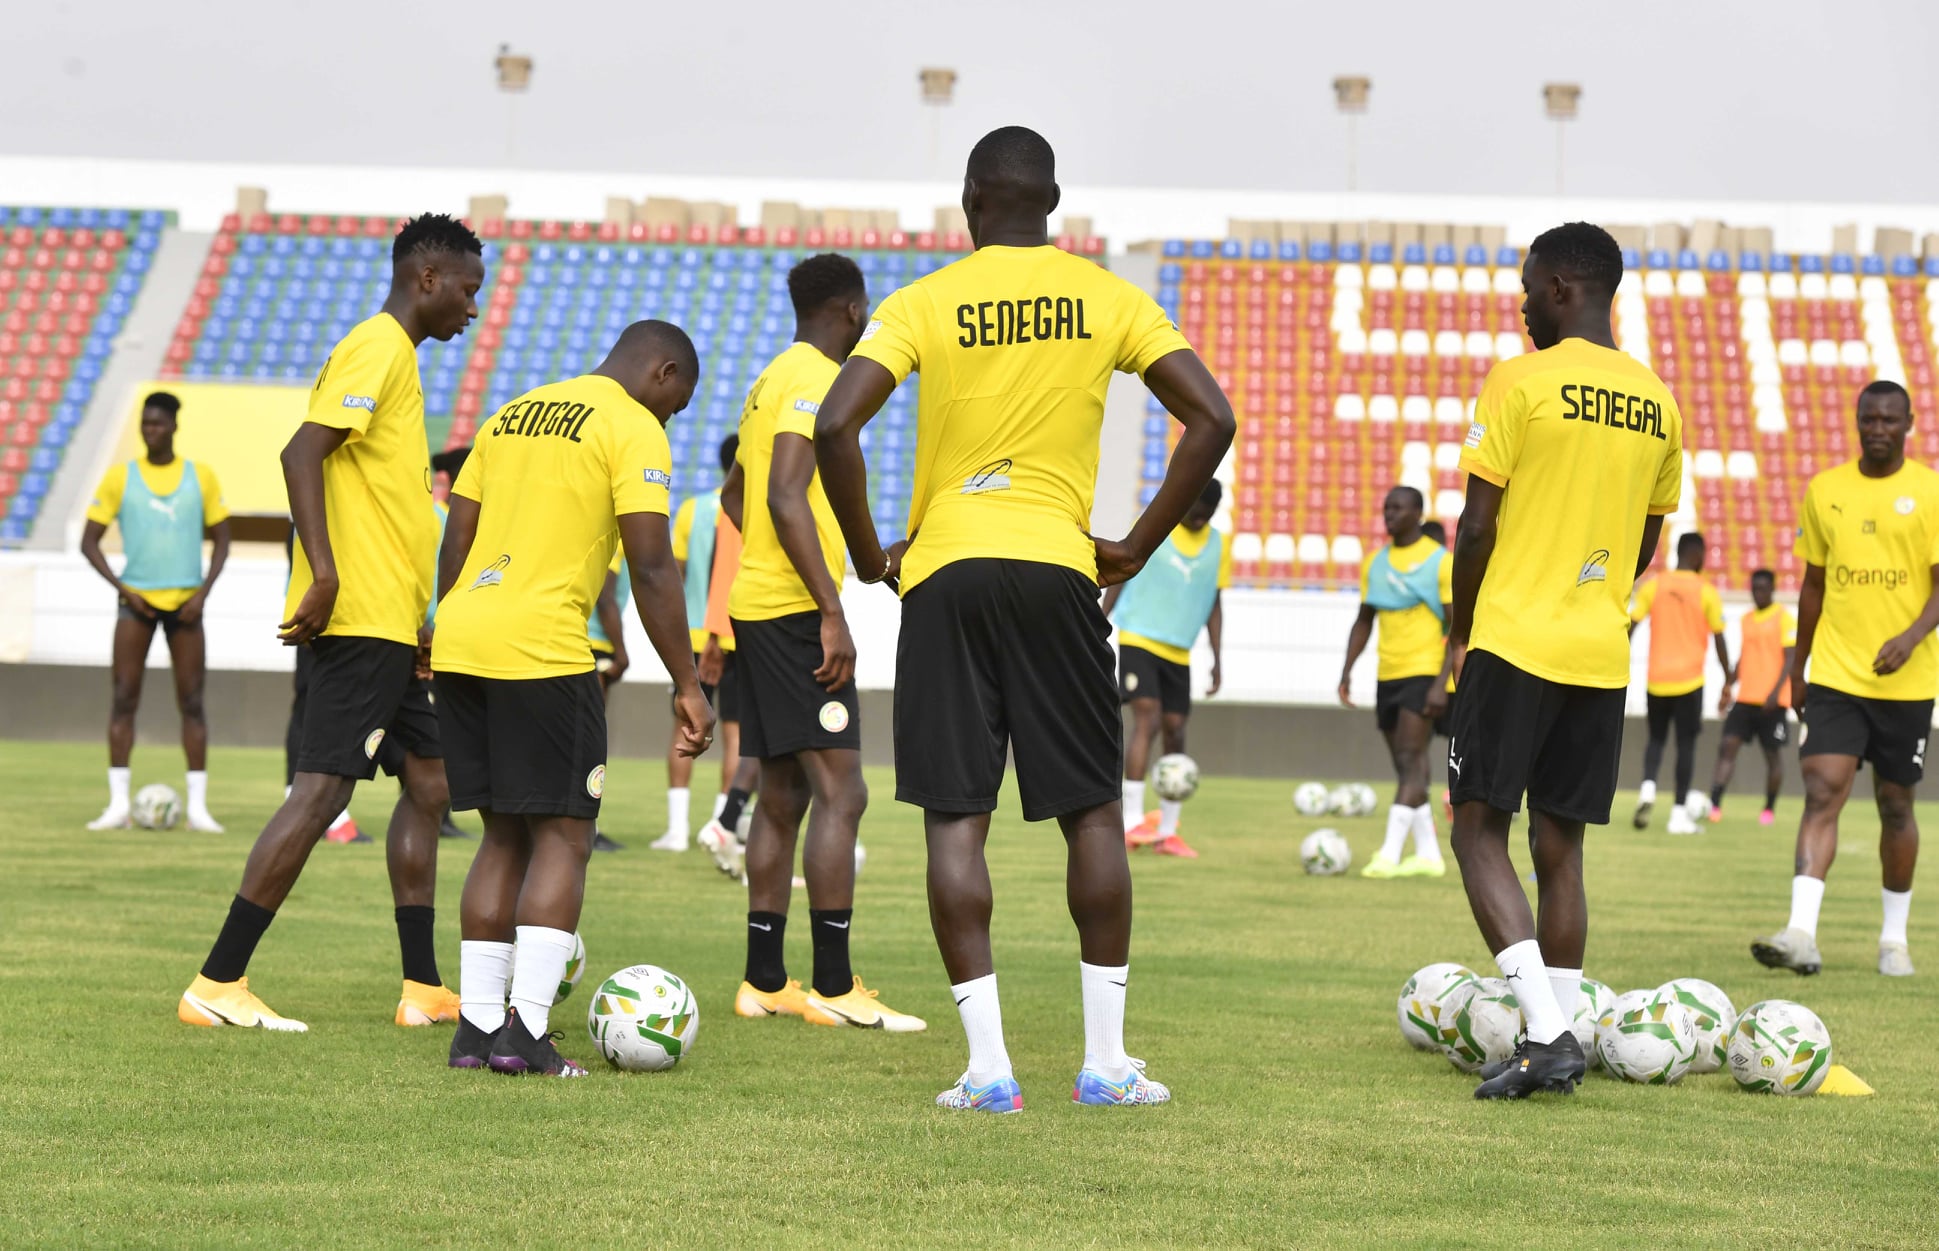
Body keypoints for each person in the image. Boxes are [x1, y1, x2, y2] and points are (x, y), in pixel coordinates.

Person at [814, 126, 1234, 1111]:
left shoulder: (924, 301)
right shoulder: (1108, 296)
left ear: (970, 200)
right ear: (1052, 202)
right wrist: (1131, 543)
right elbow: (1211, 416)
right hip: (1056, 567)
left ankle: (988, 1070)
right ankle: (1106, 1063)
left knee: (956, 820)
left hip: (946, 570)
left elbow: (834, 423)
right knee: (1091, 808)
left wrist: (874, 551)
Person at [177, 213, 484, 1033]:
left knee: (432, 783)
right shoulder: (377, 346)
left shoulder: (399, 359)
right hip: (358, 617)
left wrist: (424, 617)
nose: (473, 307)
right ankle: (218, 978)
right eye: (467, 289)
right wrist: (324, 572)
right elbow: (299, 452)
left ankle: (422, 988)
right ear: (427, 278)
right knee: (320, 793)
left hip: (395, 622)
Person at [1440, 221, 1684, 1098]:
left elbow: (1474, 525)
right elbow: (1648, 536)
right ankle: (1564, 1029)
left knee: (1475, 828)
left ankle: (1546, 1036)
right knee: (1560, 846)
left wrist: (1459, 630)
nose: (1519, 301)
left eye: (1526, 285)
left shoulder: (1520, 380)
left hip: (1513, 637)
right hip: (1598, 645)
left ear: (1559, 289)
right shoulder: (1657, 399)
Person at [435, 320, 713, 1076]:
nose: (669, 420)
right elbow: (652, 567)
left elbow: (457, 534)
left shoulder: (510, 412)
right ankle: (524, 1033)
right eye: (674, 403)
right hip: (543, 648)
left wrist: (441, 623)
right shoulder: (629, 426)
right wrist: (688, 685)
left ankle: (476, 1027)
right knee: (563, 836)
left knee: (501, 835)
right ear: (661, 371)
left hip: (463, 635)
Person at [720, 252, 923, 1029]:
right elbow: (778, 492)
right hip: (798, 616)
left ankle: (764, 980)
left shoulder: (770, 378)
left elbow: (738, 494)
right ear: (849, 309)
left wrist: (777, 565)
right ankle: (833, 986)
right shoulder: (814, 380)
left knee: (783, 795)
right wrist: (828, 608)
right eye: (865, 309)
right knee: (846, 790)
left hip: (760, 607)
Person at [1751, 380, 1939, 979]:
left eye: (1889, 420)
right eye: (1868, 419)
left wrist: (1909, 640)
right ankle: (1802, 933)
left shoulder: (1930, 492)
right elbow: (1812, 585)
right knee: (1823, 788)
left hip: (1906, 681)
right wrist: (1800, 668)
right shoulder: (1826, 490)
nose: (1878, 429)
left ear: (1909, 423)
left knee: (1895, 804)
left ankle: (1893, 940)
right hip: (1835, 672)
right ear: (1856, 422)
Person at [80, 391, 231, 832]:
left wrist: (202, 594)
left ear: (173, 427)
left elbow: (223, 538)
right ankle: (117, 806)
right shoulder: (119, 478)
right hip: (137, 602)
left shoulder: (199, 476)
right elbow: (89, 541)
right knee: (124, 697)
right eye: (145, 423)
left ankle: (199, 808)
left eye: (158, 423)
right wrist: (123, 588)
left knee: (193, 701)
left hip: (186, 604)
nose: (151, 430)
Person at [1102, 477, 1230, 858]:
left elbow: (1214, 601)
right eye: (1192, 512)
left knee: (1176, 731)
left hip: (1179, 650)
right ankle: (1132, 823)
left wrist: (1218, 658)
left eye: (1204, 516)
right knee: (1149, 719)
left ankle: (1169, 831)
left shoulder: (1219, 546)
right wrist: (1100, 623)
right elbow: (1122, 571)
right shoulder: (1158, 528)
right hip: (1140, 637)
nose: (1196, 520)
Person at [1337, 484, 1450, 878]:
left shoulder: (1440, 562)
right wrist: (1347, 669)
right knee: (1408, 767)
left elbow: (1458, 627)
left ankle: (1388, 853)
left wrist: (1442, 682)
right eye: (1386, 508)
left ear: (1418, 513)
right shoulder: (1375, 563)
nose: (1389, 514)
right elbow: (1365, 619)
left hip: (1424, 672)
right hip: (1388, 675)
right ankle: (1430, 855)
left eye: (1398, 508)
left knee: (1409, 759)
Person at [651, 436, 740, 853]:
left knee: (683, 726)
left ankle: (676, 830)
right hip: (737, 636)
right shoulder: (753, 509)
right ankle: (724, 825)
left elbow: (678, 573)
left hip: (693, 635)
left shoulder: (692, 509)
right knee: (737, 735)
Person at [1629, 531, 1731, 834]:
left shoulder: (1654, 585)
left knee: (1656, 739)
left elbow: (1632, 625)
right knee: (1685, 746)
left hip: (1656, 678)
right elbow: (1720, 637)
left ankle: (1647, 788)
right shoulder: (1705, 590)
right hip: (1689, 681)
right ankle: (1677, 815)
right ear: (1697, 555)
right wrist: (1728, 678)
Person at [694, 496, 764, 878]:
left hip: (734, 630)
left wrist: (715, 634)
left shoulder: (733, 504)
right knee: (769, 743)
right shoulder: (772, 496)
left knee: (746, 739)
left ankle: (731, 820)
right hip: (763, 630)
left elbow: (719, 573)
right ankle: (730, 822)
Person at [1707, 568, 1794, 825]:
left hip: (1772, 702)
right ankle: (1714, 805)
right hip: (1746, 698)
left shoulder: (1784, 618)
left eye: (1763, 588)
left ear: (1772, 589)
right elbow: (1743, 658)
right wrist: (1728, 686)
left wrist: (1776, 693)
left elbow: (1790, 659)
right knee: (1727, 747)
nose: (1758, 593)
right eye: (1754, 588)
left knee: (1772, 756)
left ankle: (1768, 809)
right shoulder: (1746, 619)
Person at [585, 548, 630, 852]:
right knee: (588, 743)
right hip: (592, 645)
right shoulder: (612, 538)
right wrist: (621, 651)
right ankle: (588, 826)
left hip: (571, 640)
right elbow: (604, 595)